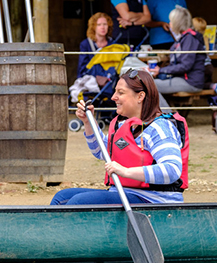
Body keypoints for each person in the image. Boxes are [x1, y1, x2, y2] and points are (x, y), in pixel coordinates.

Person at [51, 69, 187, 205]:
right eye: (115, 91)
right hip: (123, 192)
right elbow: (102, 151)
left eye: (120, 93)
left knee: (78, 203)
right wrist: (88, 122)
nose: (113, 97)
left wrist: (126, 172)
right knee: (61, 197)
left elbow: (172, 169)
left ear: (140, 96)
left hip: (154, 199)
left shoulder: (159, 128)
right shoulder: (122, 124)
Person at [149, 6, 206, 109]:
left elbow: (185, 66)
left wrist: (161, 70)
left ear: (177, 23)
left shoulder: (189, 39)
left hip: (190, 81)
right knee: (148, 83)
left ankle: (169, 117)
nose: (170, 24)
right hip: (183, 79)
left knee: (150, 86)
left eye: (171, 21)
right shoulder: (183, 38)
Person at [77, 12, 114, 78]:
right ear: (93, 27)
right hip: (91, 79)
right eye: (99, 25)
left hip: (109, 79)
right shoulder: (86, 44)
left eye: (105, 24)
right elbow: (82, 68)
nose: (102, 27)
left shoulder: (113, 43)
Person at [192, 16, 214, 88]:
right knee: (206, 84)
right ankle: (214, 87)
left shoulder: (194, 39)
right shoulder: (205, 38)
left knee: (196, 84)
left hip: (201, 67)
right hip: (208, 65)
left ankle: (214, 86)